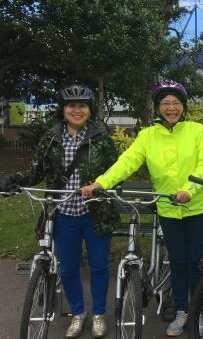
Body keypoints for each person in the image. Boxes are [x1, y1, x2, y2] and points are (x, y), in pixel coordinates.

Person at [80, 80, 203, 337]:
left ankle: (198, 311)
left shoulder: (196, 130)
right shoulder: (147, 136)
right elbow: (127, 162)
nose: (171, 108)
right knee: (176, 262)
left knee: (195, 262)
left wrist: (190, 189)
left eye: (176, 103)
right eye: (165, 103)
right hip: (167, 208)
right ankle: (181, 311)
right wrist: (101, 182)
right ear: (157, 108)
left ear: (184, 107)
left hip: (197, 207)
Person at [0, 85, 119, 338]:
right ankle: (78, 313)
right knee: (67, 268)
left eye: (82, 106)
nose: (77, 110)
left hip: (96, 213)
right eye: (71, 106)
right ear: (63, 110)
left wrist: (102, 187)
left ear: (90, 110)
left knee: (99, 266)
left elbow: (116, 174)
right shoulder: (51, 138)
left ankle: (98, 314)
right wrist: (13, 179)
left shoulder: (102, 139)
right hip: (63, 213)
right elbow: (36, 172)